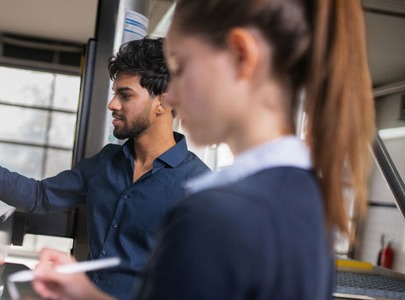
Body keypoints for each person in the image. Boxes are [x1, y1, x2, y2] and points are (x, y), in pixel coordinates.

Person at [22, 0, 375, 299]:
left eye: (183, 67)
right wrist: (85, 291)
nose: (172, 97)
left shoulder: (212, 213)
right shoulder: (309, 199)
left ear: (241, 56)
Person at [0, 37, 209, 299]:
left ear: (164, 102)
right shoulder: (106, 163)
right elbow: (38, 196)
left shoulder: (201, 189)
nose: (112, 104)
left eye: (125, 95)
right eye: (114, 94)